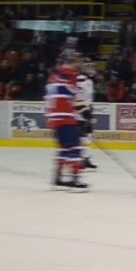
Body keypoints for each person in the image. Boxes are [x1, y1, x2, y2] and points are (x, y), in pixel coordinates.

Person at [45, 50, 87, 191]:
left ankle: (58, 177)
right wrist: (85, 117)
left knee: (64, 148)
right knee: (75, 148)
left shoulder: (53, 77)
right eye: (76, 60)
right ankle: (75, 180)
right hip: (66, 118)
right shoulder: (70, 76)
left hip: (54, 120)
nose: (79, 63)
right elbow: (75, 99)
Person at [74, 62, 98, 170]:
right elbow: (77, 99)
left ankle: (86, 158)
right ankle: (79, 160)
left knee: (88, 136)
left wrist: (90, 110)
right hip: (80, 113)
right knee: (82, 137)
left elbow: (88, 99)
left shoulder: (89, 81)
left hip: (86, 111)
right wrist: (85, 112)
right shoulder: (79, 81)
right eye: (89, 67)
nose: (92, 69)